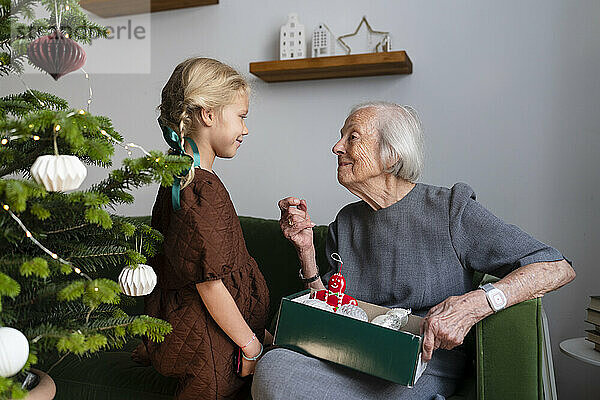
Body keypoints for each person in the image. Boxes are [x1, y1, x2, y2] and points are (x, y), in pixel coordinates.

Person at [252, 102, 575, 400]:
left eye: (353, 137)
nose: (337, 147)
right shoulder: (348, 220)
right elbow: (327, 306)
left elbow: (556, 266)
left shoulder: (450, 208)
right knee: (276, 367)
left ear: (392, 154)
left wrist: (479, 302)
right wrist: (306, 251)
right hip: (351, 352)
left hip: (420, 361)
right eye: (341, 138)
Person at [136, 57, 270, 400]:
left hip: (202, 333)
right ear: (208, 114)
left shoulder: (181, 180)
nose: (246, 129)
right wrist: (250, 345)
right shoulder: (200, 190)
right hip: (207, 343)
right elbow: (209, 284)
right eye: (241, 116)